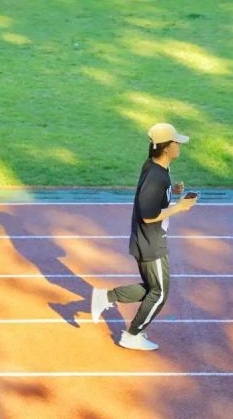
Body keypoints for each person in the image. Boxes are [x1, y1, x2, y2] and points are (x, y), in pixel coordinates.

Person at [91, 122, 197, 350]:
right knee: (159, 293)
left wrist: (171, 192)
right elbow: (148, 215)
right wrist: (179, 207)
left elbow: (151, 198)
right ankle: (131, 335)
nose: (180, 145)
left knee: (153, 288)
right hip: (151, 242)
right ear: (167, 147)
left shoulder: (156, 167)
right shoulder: (157, 175)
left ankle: (106, 297)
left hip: (150, 239)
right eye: (176, 142)